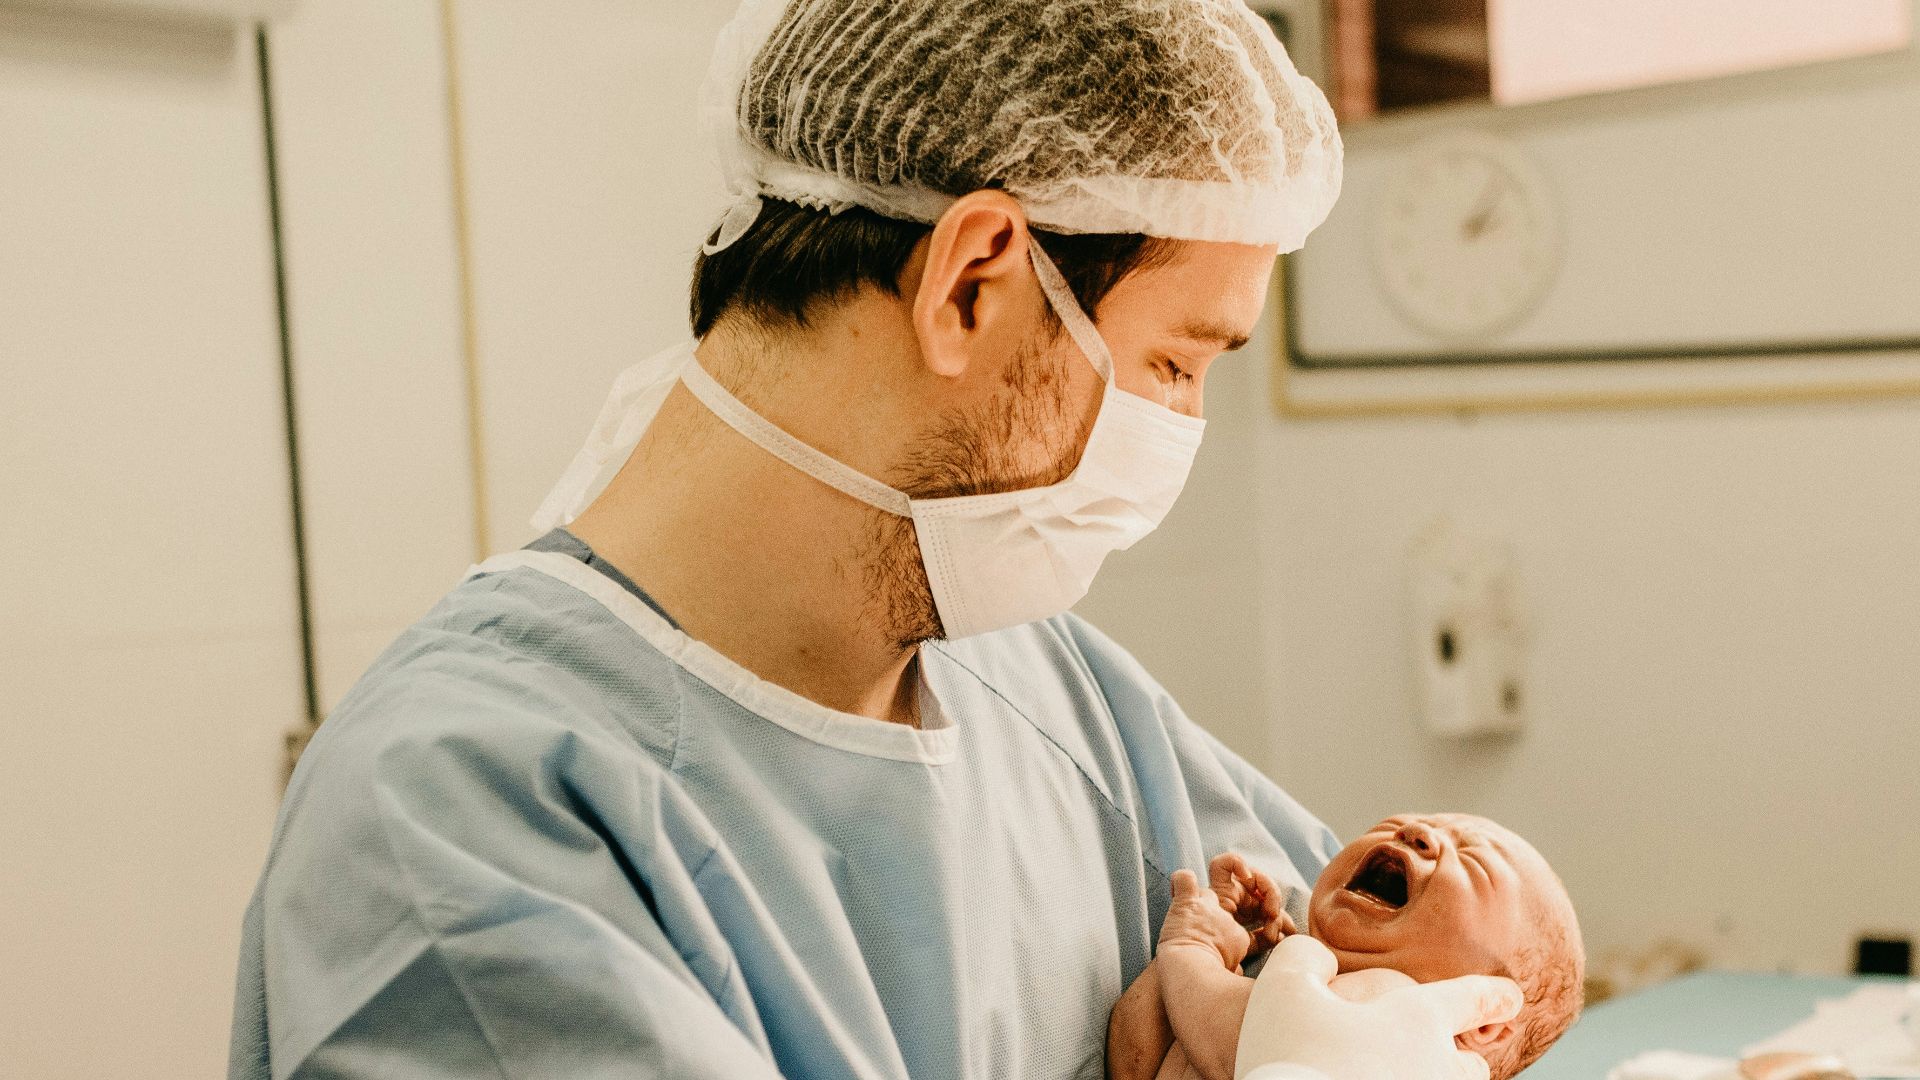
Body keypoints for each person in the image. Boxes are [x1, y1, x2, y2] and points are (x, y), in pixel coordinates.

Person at [229, 1, 1522, 1077]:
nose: (1180, 426)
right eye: (1176, 363)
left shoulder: (1048, 693)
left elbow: (1454, 993)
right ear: (972, 282)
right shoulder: (464, 817)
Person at [1109, 815, 1585, 1080]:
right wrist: (1227, 956)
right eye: (1403, 821)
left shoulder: (1394, 1010)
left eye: (1474, 865)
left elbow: (1252, 1045)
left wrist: (1193, 950)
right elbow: (1135, 1058)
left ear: (1482, 1017)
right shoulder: (1295, 987)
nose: (1417, 834)